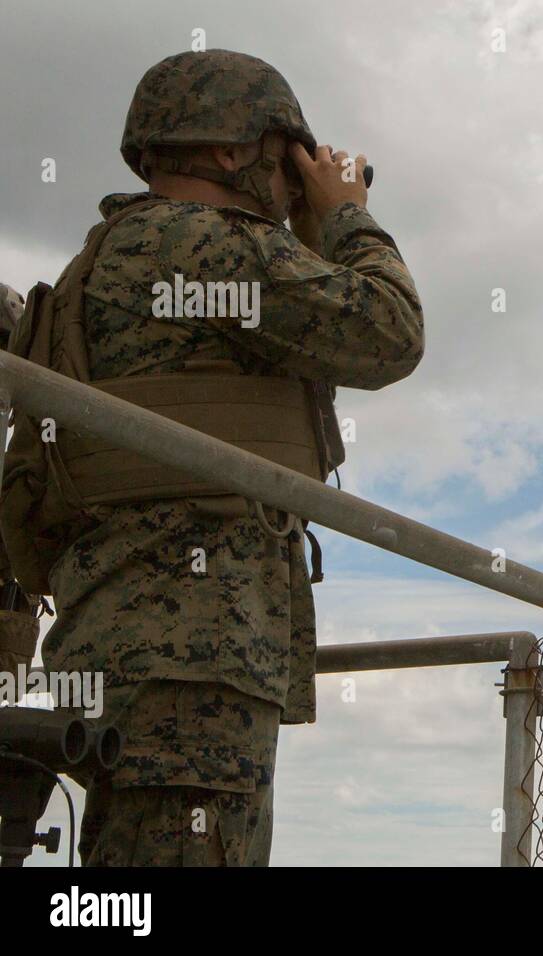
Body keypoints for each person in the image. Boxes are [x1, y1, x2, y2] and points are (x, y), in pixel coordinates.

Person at [0, 49, 423, 865]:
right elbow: (388, 333)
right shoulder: (205, 244)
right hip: (195, 650)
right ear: (234, 151)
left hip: (136, 634)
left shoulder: (106, 256)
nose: (291, 174)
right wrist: (342, 217)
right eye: (283, 153)